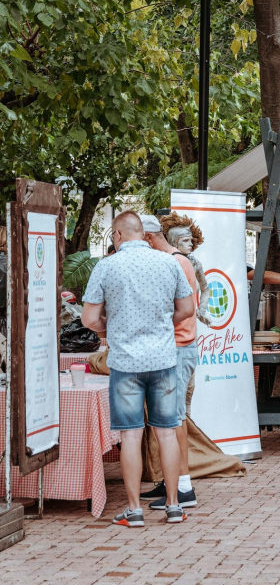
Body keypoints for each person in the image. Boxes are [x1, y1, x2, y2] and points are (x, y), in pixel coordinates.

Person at [81, 211, 194, 527]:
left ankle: (134, 511)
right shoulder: (169, 262)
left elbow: (88, 320)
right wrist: (158, 324)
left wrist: (110, 328)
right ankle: (173, 506)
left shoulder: (106, 266)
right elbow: (187, 309)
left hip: (126, 364)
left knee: (131, 436)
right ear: (143, 234)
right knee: (167, 432)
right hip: (163, 361)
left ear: (117, 235)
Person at [139, 215, 204, 510]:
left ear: (149, 239)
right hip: (177, 347)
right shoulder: (177, 261)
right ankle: (171, 480)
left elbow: (177, 308)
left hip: (178, 348)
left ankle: (184, 488)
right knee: (168, 417)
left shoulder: (175, 263)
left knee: (174, 420)